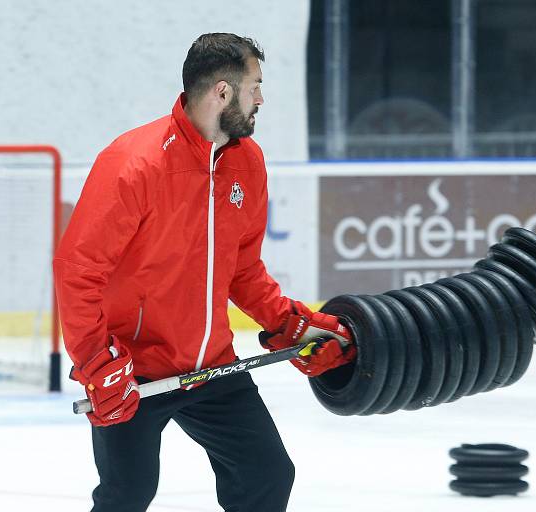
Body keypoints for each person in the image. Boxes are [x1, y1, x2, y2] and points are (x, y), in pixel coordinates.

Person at [53, 33, 356, 512]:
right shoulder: (135, 164)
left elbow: (243, 269)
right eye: (254, 85)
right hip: (135, 373)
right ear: (222, 91)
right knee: (126, 495)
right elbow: (78, 272)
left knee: (267, 475)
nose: (260, 98)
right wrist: (96, 362)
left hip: (213, 366)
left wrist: (283, 320)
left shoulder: (247, 162)